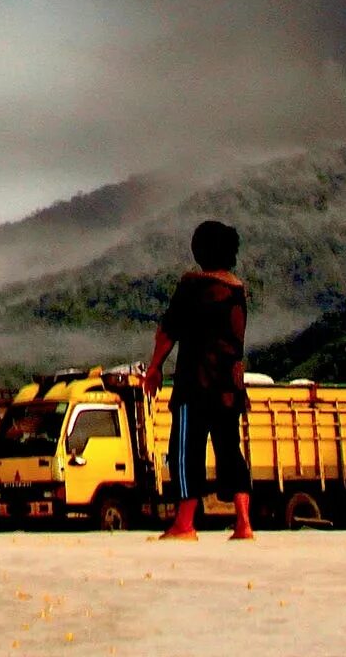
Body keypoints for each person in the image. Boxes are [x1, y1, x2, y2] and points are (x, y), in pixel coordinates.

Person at [142, 218, 251, 540]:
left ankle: (184, 524)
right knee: (230, 450)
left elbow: (168, 331)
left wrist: (154, 367)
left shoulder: (193, 285)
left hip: (196, 382)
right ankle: (244, 523)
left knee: (186, 451)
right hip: (230, 386)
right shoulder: (238, 289)